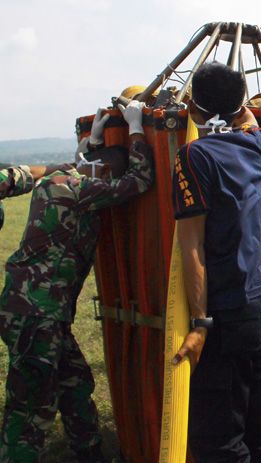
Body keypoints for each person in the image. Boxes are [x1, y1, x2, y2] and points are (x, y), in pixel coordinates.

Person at [0, 102, 154, 462]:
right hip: (38, 312)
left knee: (74, 381)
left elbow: (81, 166)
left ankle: (90, 452)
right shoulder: (82, 191)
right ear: (104, 174)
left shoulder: (60, 182)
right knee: (31, 405)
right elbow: (141, 180)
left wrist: (93, 142)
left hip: (34, 309)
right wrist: (135, 129)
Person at [171, 62, 261, 463]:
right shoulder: (253, 143)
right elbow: (249, 118)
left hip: (225, 315)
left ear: (195, 107)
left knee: (219, 440)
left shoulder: (192, 156)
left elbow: (193, 248)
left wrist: (200, 324)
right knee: (259, 430)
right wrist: (230, 105)